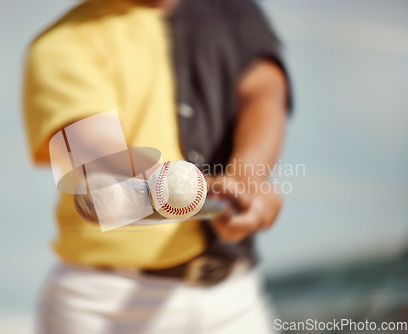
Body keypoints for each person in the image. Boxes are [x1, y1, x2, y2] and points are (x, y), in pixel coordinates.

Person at [22, 0, 290, 332]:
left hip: (234, 295)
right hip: (105, 304)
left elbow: (264, 90)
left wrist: (247, 177)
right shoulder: (60, 44)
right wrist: (186, 187)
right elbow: (97, 148)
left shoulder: (234, 8)